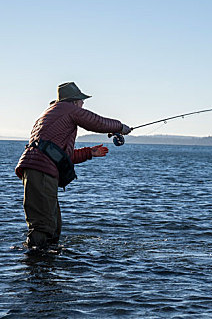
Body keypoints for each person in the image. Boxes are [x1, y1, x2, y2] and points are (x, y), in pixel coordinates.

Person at [15, 82, 132, 250]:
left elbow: (63, 156)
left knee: (53, 226)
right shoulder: (66, 109)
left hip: (38, 170)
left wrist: (89, 153)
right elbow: (96, 122)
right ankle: (37, 270)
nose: (83, 104)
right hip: (41, 171)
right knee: (43, 226)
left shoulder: (53, 114)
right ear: (74, 101)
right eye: (81, 100)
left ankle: (45, 267)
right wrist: (120, 127)